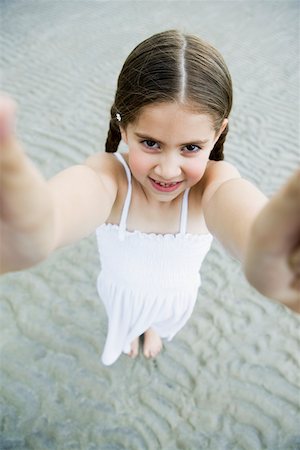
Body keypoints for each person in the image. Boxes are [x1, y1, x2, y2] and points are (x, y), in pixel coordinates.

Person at [0, 30, 299, 366]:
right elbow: (69, 202)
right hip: (120, 291)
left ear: (216, 134)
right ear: (124, 126)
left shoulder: (212, 186)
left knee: (158, 320)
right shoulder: (111, 179)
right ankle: (132, 327)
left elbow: (242, 216)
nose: (169, 170)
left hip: (176, 297)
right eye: (151, 143)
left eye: (191, 148)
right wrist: (41, 226)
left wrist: (262, 247)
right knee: (125, 316)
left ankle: (153, 327)